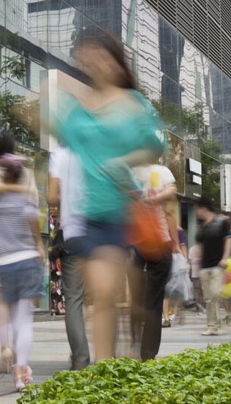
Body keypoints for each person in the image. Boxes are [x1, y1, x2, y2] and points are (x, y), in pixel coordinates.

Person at [49, 29, 165, 361]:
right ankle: (104, 366)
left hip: (121, 210)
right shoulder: (80, 110)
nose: (95, 63)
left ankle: (122, 346)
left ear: (115, 61)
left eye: (101, 56)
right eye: (88, 58)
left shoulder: (133, 103)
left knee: (109, 293)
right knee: (101, 295)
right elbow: (61, 136)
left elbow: (156, 147)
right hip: (88, 214)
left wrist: (123, 159)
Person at [0, 154, 45, 390]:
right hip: (26, 259)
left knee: (7, 312)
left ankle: (11, 357)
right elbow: (33, 221)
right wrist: (39, 245)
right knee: (23, 319)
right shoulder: (25, 197)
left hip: (4, 263)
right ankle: (21, 372)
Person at [128, 162, 177, 361]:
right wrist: (176, 243)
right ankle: (148, 354)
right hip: (159, 241)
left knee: (136, 298)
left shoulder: (130, 172)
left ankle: (134, 344)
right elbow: (170, 209)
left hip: (134, 242)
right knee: (154, 302)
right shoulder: (163, 172)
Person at [47, 145, 90, 370]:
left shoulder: (59, 155)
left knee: (73, 299)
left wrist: (66, 197)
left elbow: (51, 197)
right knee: (106, 297)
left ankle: (81, 359)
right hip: (101, 233)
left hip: (74, 235)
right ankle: (110, 358)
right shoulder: (99, 149)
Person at [194, 197, 231, 336]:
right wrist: (198, 262)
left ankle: (228, 314)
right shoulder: (201, 227)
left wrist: (225, 258)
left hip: (218, 265)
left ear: (204, 208)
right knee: (209, 297)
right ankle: (212, 326)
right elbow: (199, 245)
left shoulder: (221, 223)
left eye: (198, 209)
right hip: (205, 266)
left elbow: (229, 239)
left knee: (216, 293)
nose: (197, 212)